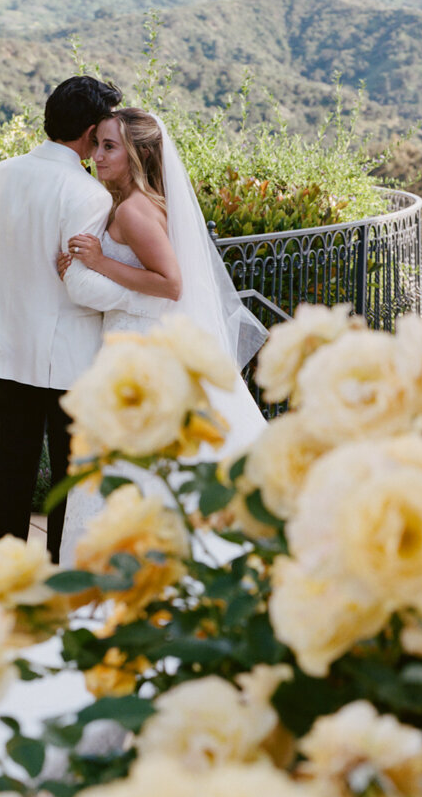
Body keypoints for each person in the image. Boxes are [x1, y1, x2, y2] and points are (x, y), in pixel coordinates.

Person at [56, 107, 268, 564]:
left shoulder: (133, 210)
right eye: (98, 145)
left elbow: (171, 284)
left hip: (141, 350)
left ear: (141, 155)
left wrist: (98, 262)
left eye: (109, 147)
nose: (97, 156)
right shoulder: (135, 203)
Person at [0, 78, 168, 562]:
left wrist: (13, 310)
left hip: (8, 344)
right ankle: (62, 574)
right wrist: (136, 295)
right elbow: (82, 286)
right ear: (88, 132)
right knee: (70, 477)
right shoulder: (88, 193)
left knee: (9, 471)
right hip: (70, 357)